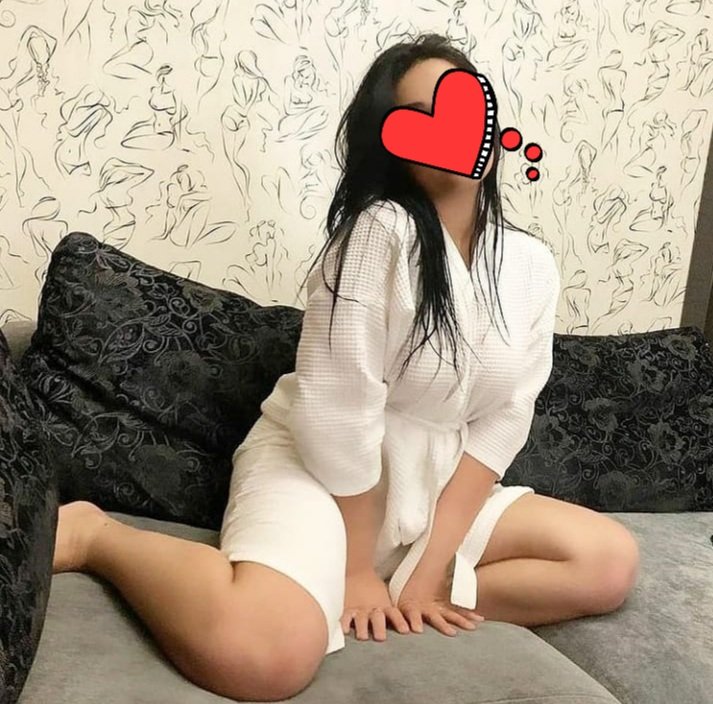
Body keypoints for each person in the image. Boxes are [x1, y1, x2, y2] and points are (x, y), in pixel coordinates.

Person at [52, 33, 640, 703]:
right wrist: (357, 566)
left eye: (462, 105)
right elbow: (337, 412)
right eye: (420, 114)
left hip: (434, 480)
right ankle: (98, 537)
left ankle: (391, 591)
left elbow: (504, 420)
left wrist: (430, 570)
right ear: (390, 140)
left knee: (607, 561)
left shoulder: (531, 265)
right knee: (267, 656)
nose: (450, 125)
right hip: (318, 470)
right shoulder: (377, 232)